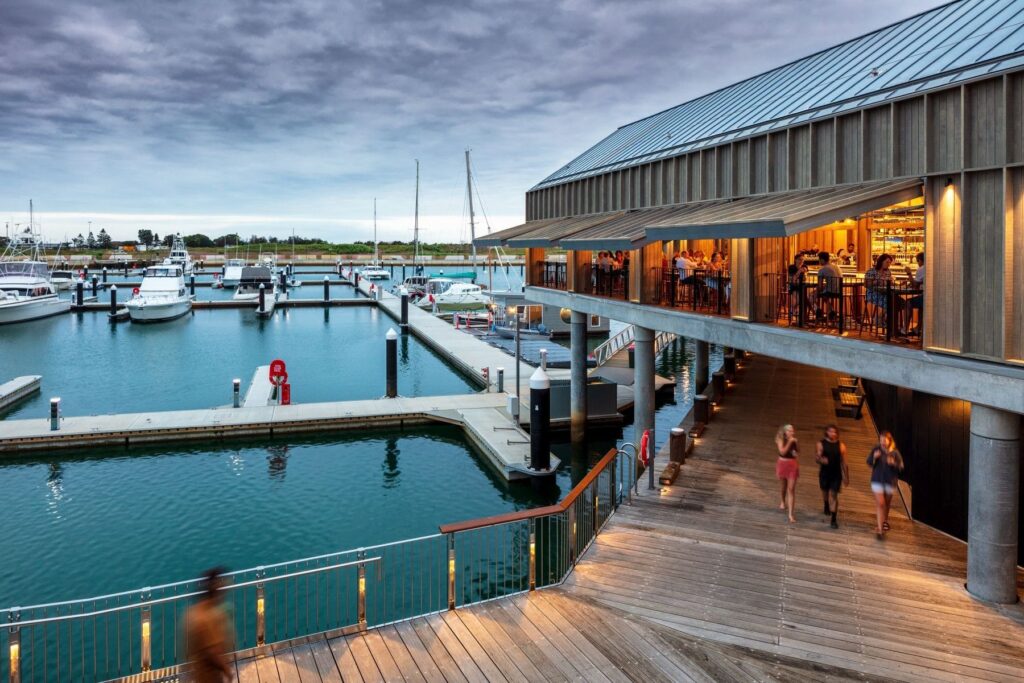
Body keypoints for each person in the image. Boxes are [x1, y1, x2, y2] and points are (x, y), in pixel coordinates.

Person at [184, 567, 235, 682]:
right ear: (216, 590)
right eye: (223, 589)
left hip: (199, 673)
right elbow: (213, 651)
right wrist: (227, 670)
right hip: (210, 676)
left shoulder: (193, 612)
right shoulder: (207, 618)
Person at [867, 431, 904, 539]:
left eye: (885, 440)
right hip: (877, 480)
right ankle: (880, 530)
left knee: (887, 504)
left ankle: (884, 522)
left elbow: (901, 467)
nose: (882, 442)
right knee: (881, 504)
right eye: (881, 440)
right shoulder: (876, 450)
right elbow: (869, 462)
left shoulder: (895, 453)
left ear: (889, 441)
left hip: (890, 482)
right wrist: (874, 457)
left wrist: (894, 463)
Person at [815, 424, 849, 529]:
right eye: (830, 431)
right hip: (824, 473)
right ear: (827, 432)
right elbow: (817, 458)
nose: (832, 433)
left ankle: (833, 520)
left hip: (836, 474)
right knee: (825, 492)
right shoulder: (821, 444)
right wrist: (821, 460)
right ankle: (826, 504)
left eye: (834, 432)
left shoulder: (841, 446)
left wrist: (846, 477)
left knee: (834, 495)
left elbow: (844, 462)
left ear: (837, 434)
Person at [774, 424, 799, 523]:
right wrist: (790, 442)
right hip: (782, 463)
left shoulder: (794, 441)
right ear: (784, 432)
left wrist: (795, 452)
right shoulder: (780, 439)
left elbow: (796, 453)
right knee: (783, 486)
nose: (791, 432)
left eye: (792, 431)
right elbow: (782, 452)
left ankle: (791, 515)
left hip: (792, 465)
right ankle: (783, 501)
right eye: (789, 431)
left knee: (791, 489)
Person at [817, 251, 843, 323]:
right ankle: (831, 312)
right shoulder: (837, 267)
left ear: (822, 260)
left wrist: (817, 290)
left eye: (819, 260)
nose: (819, 261)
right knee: (823, 295)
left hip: (830, 292)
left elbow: (819, 286)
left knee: (812, 295)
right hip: (839, 291)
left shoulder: (822, 269)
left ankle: (818, 312)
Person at [908, 252, 925, 334]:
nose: (918, 263)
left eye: (918, 261)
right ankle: (918, 328)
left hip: (925, 296)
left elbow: (915, 285)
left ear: (920, 260)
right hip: (929, 296)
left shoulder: (922, 268)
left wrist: (909, 273)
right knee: (921, 308)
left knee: (907, 303)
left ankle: (904, 329)